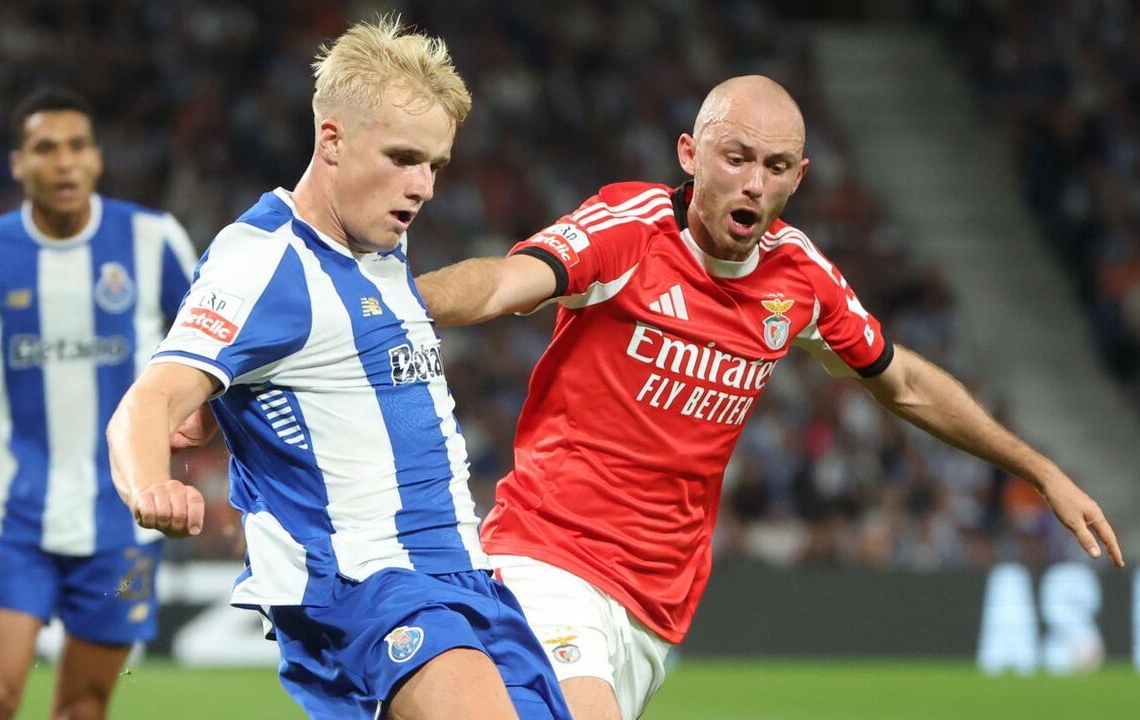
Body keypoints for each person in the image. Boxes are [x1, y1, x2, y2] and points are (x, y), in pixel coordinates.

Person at [415, 74, 1126, 719]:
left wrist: (1042, 471)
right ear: (690, 154)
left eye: (776, 167)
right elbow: (506, 283)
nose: (754, 183)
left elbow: (903, 383)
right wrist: (398, 302)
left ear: (799, 178)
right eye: (737, 157)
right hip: (548, 557)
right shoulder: (630, 230)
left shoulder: (800, 279)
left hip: (654, 607)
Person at [105, 18, 571, 720]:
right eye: (404, 157)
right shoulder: (263, 260)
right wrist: (150, 486)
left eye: (435, 166)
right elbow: (150, 400)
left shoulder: (378, 246)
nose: (423, 188)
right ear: (332, 139)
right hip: (365, 583)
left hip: (462, 575)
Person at [0, 88, 197, 720]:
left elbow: (211, 350)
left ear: (98, 160)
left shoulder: (151, 239)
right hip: (14, 521)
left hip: (122, 524)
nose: (64, 162)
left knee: (82, 707)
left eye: (78, 146)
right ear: (18, 164)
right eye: (45, 148)